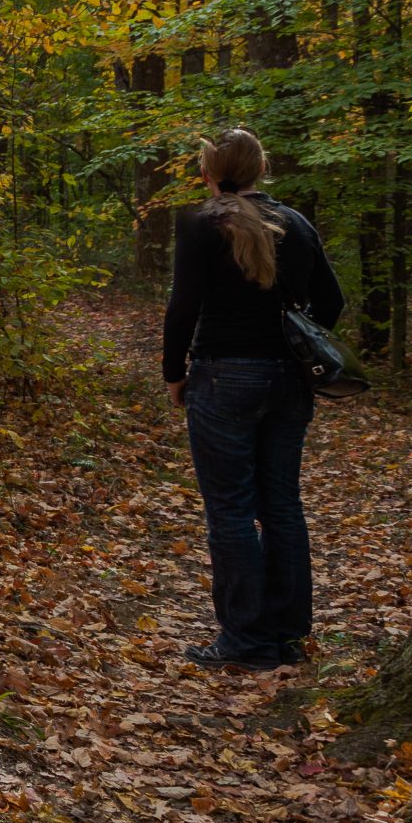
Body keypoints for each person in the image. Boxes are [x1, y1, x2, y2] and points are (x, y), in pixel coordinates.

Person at [161, 128, 347, 672]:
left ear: (209, 172)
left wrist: (175, 374)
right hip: (289, 380)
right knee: (282, 504)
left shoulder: (201, 223)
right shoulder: (296, 223)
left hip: (222, 377)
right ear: (261, 168)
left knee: (232, 510)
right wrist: (293, 339)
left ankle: (245, 639)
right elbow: (332, 302)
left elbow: (183, 307)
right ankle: (287, 634)